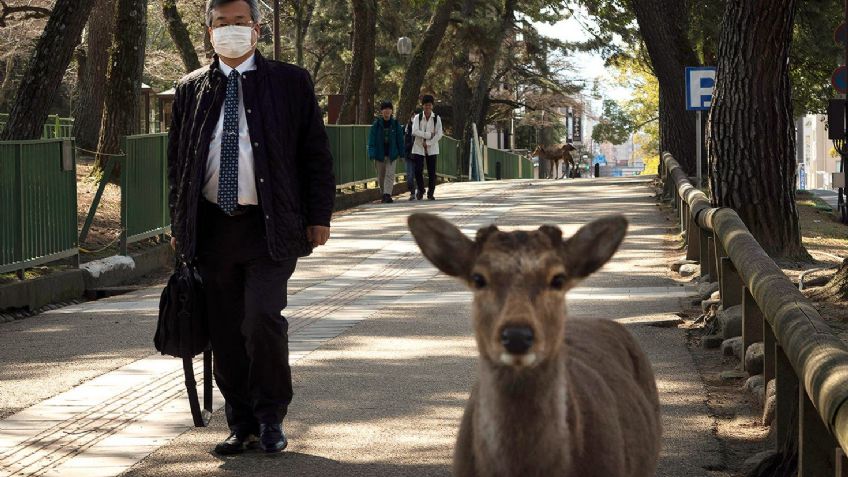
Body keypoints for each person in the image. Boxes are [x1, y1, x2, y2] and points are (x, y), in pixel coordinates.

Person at [167, 0, 334, 455]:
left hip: (269, 226)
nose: (231, 30)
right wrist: (180, 222)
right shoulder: (191, 89)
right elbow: (178, 163)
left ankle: (270, 417)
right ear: (209, 32)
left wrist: (319, 215)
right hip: (212, 229)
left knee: (261, 319)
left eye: (240, 22)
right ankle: (240, 422)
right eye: (222, 23)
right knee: (224, 330)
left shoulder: (290, 82)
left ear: (257, 30)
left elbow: (315, 154)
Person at [367, 100, 405, 203]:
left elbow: (400, 140)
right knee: (381, 176)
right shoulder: (376, 125)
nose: (387, 111)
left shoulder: (395, 124)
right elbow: (371, 140)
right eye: (385, 109)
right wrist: (371, 153)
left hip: (392, 154)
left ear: (392, 111)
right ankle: (384, 194)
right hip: (380, 155)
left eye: (389, 109)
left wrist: (402, 154)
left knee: (390, 174)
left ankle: (387, 194)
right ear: (381, 111)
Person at [410, 95, 444, 200]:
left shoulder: (436, 118)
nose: (427, 107)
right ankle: (421, 189)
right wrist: (428, 135)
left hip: (432, 148)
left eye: (429, 105)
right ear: (422, 106)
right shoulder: (417, 117)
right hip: (418, 147)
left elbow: (439, 134)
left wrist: (429, 143)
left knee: (431, 171)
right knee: (418, 170)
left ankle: (431, 192)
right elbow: (414, 131)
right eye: (425, 105)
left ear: (432, 106)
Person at [403, 109, 418, 200]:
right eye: (413, 116)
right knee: (409, 176)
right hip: (408, 154)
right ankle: (412, 192)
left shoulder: (422, 127)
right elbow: (403, 140)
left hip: (419, 154)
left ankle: (419, 190)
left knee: (418, 174)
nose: (414, 118)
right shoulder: (407, 127)